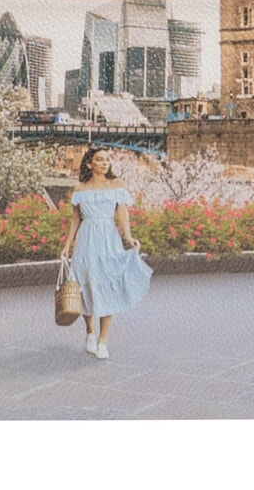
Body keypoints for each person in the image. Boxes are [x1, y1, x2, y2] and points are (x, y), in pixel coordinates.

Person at [61, 145, 152, 359]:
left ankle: (103, 341)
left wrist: (128, 237)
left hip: (108, 239)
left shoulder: (116, 185)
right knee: (84, 285)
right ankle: (90, 333)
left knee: (108, 284)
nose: (105, 163)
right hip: (86, 239)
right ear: (89, 163)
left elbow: (123, 214)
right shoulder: (80, 189)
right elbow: (75, 220)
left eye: (107, 159)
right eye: (99, 159)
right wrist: (67, 245)